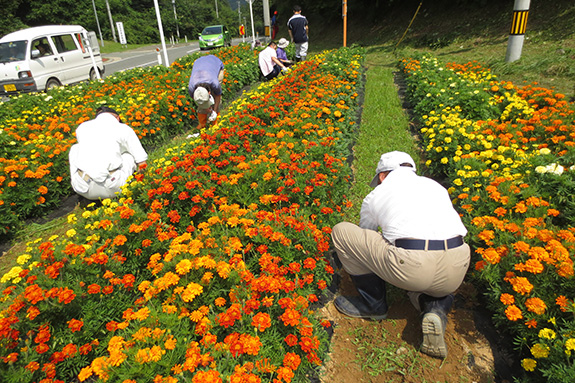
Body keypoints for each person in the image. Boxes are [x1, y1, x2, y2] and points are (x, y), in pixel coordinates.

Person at [330, 151, 470, 359]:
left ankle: (373, 304)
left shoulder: (377, 194)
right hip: (457, 268)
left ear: (382, 176)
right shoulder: (436, 187)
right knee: (434, 265)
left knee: (342, 232)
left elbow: (366, 235)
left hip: (412, 267)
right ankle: (435, 308)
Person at [68, 106, 148, 200]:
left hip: (83, 188)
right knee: (128, 154)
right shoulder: (122, 128)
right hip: (113, 188)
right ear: (117, 118)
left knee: (75, 148)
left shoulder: (82, 127)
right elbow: (142, 161)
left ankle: (82, 187)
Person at [187, 55, 225, 129]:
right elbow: (198, 100)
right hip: (199, 63)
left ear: (209, 93)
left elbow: (218, 95)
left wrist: (214, 111)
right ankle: (202, 124)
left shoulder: (214, 82)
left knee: (215, 96)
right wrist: (205, 108)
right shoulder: (191, 87)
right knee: (201, 99)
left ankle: (216, 122)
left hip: (215, 62)